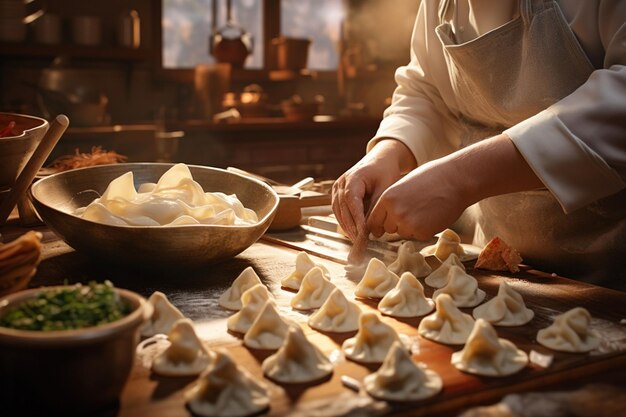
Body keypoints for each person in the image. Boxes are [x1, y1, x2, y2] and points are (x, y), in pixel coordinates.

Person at [332, 0, 626, 290]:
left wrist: (459, 178)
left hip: (610, 273)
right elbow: (427, 92)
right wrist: (389, 151)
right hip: (494, 269)